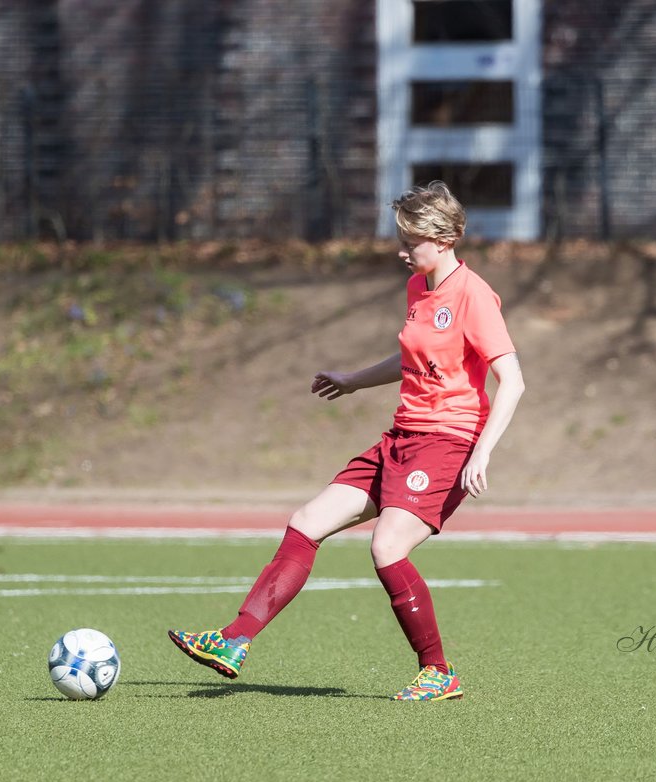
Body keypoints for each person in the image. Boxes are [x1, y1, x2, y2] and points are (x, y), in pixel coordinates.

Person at [168, 181, 525, 701]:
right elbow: (412, 361)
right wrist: (355, 379)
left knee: (386, 547)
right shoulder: (418, 290)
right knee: (307, 522)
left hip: (448, 443)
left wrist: (483, 452)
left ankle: (438, 672)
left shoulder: (473, 296)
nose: (402, 250)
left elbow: (512, 380)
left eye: (411, 240)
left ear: (443, 239)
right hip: (402, 437)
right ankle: (233, 639)